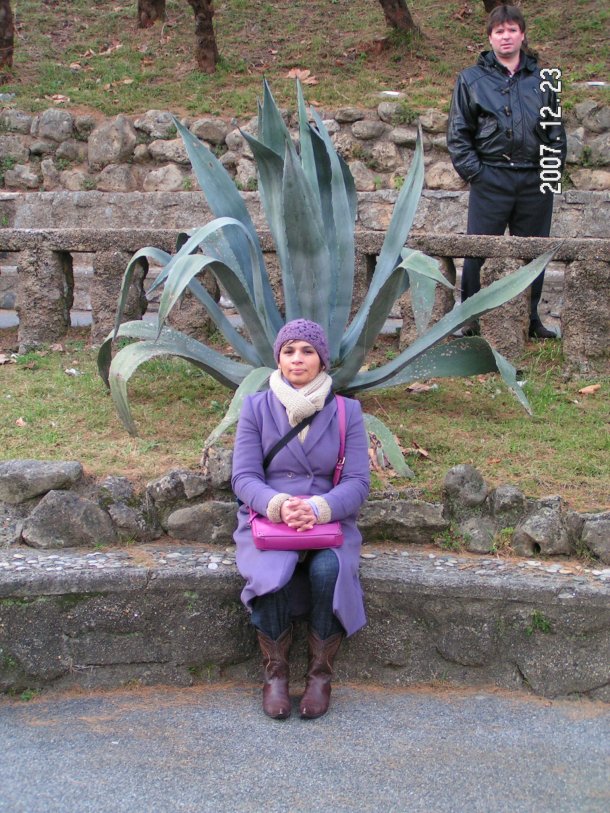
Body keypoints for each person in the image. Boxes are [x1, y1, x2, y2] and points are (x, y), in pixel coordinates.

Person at [231, 319, 370, 720]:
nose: (297, 359)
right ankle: (275, 675)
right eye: (289, 350)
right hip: (269, 518)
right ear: (278, 357)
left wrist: (317, 508)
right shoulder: (256, 407)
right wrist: (279, 505)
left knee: (330, 569)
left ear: (322, 359)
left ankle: (320, 677)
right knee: (272, 572)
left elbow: (359, 482)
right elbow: (243, 476)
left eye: (307, 351)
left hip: (329, 520)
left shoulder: (348, 412)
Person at [447, 4, 567, 339]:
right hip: (491, 177)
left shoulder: (545, 79)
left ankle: (530, 320)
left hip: (534, 179)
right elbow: (458, 133)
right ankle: (470, 318)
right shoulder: (471, 79)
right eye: (499, 31)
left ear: (522, 35)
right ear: (490, 37)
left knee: (533, 253)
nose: (506, 36)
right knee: (479, 251)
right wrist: (477, 174)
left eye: (512, 29)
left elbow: (556, 134)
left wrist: (549, 179)